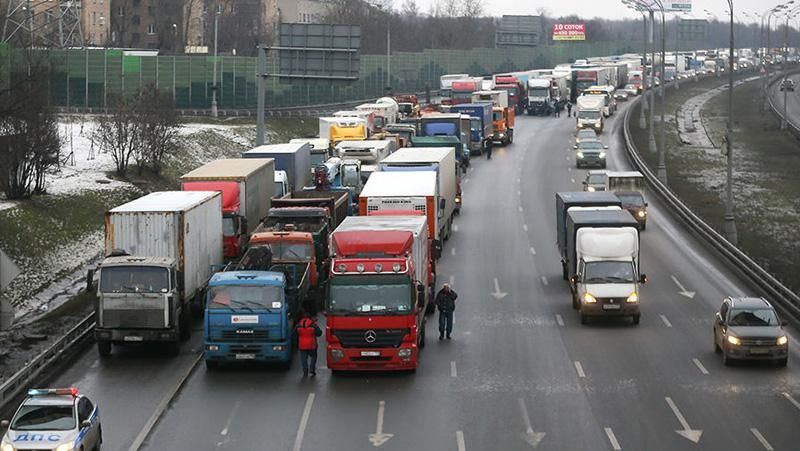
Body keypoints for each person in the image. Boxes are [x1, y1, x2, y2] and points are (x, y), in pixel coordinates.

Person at [295, 311, 322, 376]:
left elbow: (294, 335)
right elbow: (319, 333)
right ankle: (312, 370)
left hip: (302, 345)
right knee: (313, 357)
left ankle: (305, 372)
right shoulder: (313, 325)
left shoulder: (298, 325)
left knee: (303, 359)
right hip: (312, 345)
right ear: (310, 318)